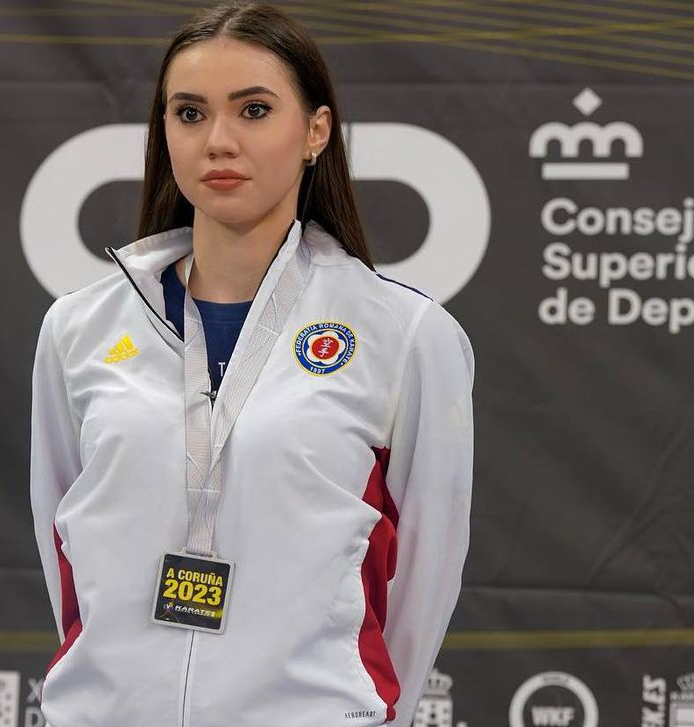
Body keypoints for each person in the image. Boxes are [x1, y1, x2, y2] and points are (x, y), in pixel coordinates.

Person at [29, 2, 474, 725]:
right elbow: (64, 556)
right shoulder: (79, 328)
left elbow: (426, 574)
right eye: (190, 113)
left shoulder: (403, 334)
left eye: (254, 110)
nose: (219, 141)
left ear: (316, 132)